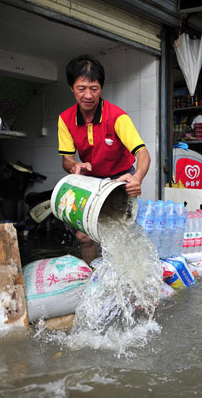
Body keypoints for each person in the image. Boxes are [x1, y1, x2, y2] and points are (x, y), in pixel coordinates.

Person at [58, 54, 151, 264]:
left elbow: (143, 153)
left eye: (94, 88)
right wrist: (75, 166)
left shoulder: (117, 117)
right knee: (84, 236)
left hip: (120, 180)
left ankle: (123, 282)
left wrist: (137, 178)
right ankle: (94, 276)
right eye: (82, 88)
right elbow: (67, 161)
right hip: (91, 183)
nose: (88, 95)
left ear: (101, 88)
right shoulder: (65, 119)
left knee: (119, 235)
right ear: (71, 89)